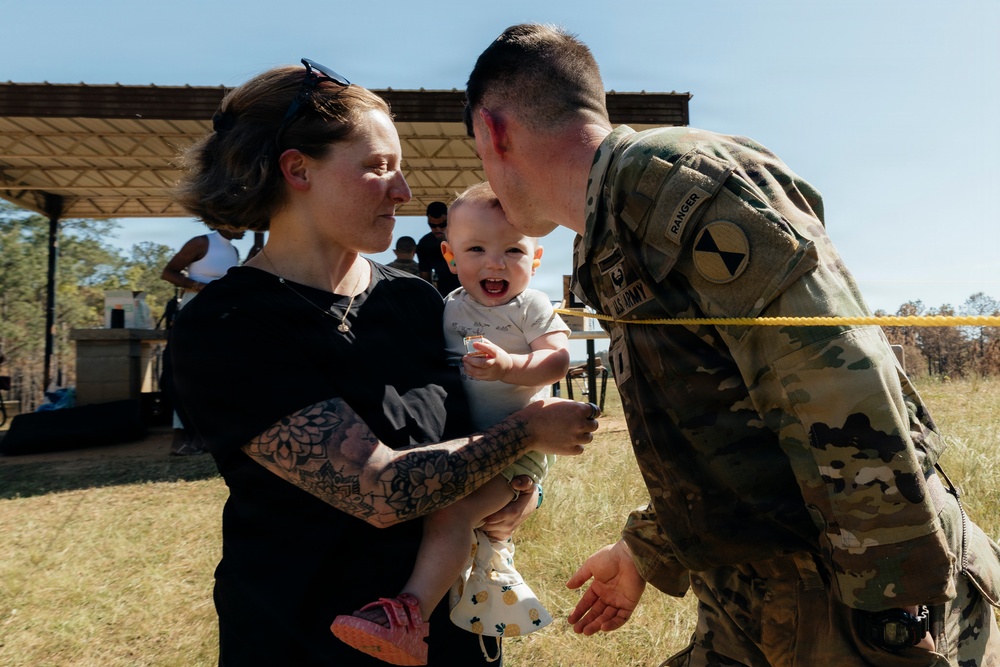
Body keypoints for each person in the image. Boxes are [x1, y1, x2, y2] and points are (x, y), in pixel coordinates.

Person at [464, 24, 1000, 667]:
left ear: (494, 133)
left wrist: (890, 613)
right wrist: (645, 549)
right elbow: (717, 421)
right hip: (758, 590)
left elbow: (840, 381)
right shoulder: (606, 233)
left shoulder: (680, 184)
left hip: (847, 594)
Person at [168, 57, 599, 667]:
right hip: (309, 638)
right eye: (378, 168)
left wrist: (522, 488)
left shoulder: (417, 299)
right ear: (298, 170)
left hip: (450, 637)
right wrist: (528, 433)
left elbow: (470, 427)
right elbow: (380, 489)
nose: (403, 191)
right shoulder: (228, 324)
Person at [331, 181, 573, 664]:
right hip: (468, 444)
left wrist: (508, 367)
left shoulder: (531, 306)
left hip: (521, 448)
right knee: (461, 517)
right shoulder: (448, 307)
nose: (496, 263)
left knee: (452, 513)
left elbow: (558, 361)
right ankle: (486, 565)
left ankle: (410, 614)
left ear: (537, 257)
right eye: (477, 249)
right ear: (449, 254)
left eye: (513, 250)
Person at [160, 227, 244, 455]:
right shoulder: (200, 243)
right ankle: (181, 438)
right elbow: (168, 273)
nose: (245, 228)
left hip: (218, 318)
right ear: (225, 220)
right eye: (241, 222)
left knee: (212, 376)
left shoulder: (234, 250)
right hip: (193, 315)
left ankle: (206, 435)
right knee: (185, 374)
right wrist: (200, 287)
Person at [416, 201, 461, 296]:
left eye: (442, 225)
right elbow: (425, 277)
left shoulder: (463, 237)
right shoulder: (425, 244)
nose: (437, 229)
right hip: (444, 294)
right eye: (432, 226)